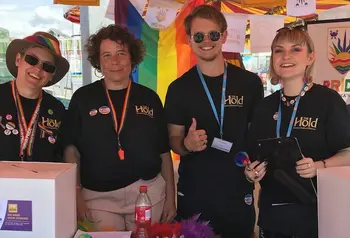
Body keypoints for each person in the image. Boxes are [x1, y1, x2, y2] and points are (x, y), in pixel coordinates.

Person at [61, 24, 176, 232]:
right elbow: (72, 151)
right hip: (98, 198)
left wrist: (171, 198)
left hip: (147, 193)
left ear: (132, 58)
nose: (115, 61)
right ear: (98, 61)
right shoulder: (83, 98)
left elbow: (164, 153)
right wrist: (76, 195)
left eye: (121, 53)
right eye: (107, 55)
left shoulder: (149, 98)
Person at [164, 5, 263, 238]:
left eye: (213, 35)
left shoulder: (249, 83)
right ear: (189, 39)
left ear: (224, 36)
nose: (206, 41)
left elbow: (257, 136)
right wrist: (186, 144)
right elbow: (172, 139)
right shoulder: (179, 88)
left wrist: (257, 165)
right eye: (198, 35)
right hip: (196, 193)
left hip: (238, 192)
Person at [245, 26, 350, 238]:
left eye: (295, 49)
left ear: (310, 57)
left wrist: (319, 166)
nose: (286, 56)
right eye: (278, 50)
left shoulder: (327, 101)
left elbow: (348, 153)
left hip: (316, 216)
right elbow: (250, 158)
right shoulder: (264, 107)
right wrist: (250, 173)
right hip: (273, 216)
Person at [0, 32, 69, 162]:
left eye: (47, 66)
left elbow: (64, 154)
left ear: (51, 75)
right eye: (32, 60)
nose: (37, 69)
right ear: (18, 60)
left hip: (43, 182)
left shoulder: (57, 109)